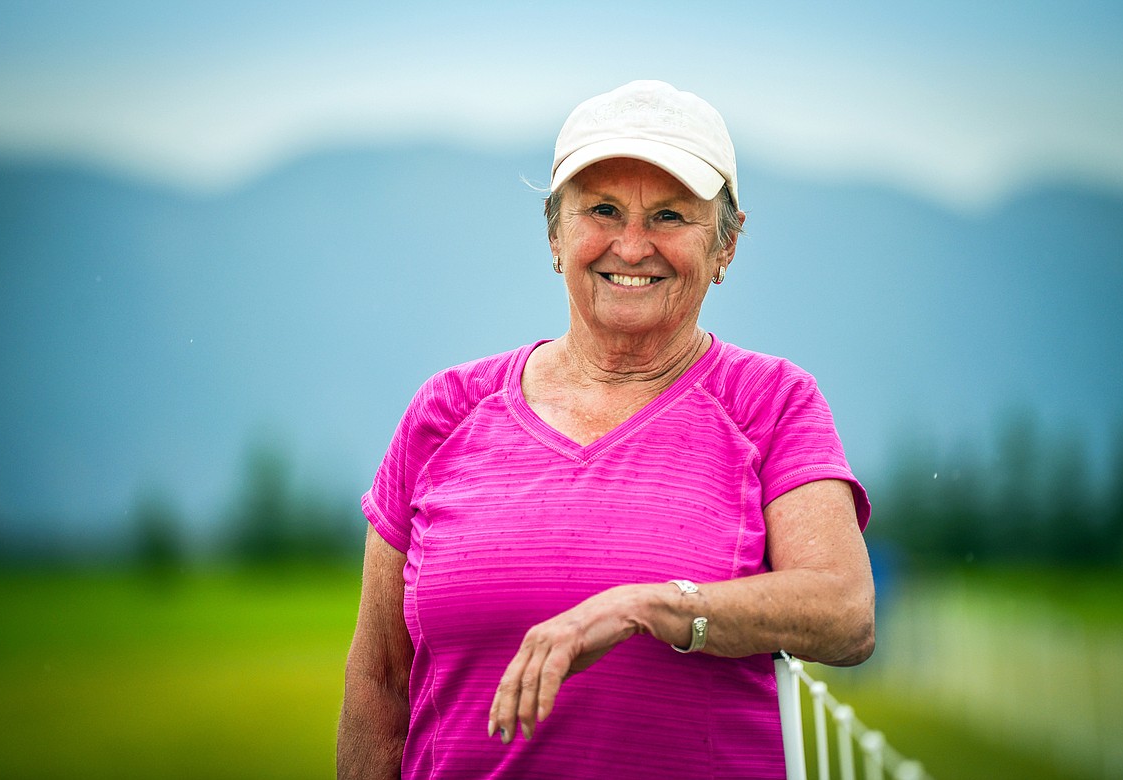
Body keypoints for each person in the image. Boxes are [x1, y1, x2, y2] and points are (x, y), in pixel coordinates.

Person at [337, 79, 875, 780]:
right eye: (603, 210)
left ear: (726, 246)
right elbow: (379, 680)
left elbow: (845, 610)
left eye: (670, 216)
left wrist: (648, 606)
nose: (632, 245)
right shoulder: (446, 411)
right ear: (556, 236)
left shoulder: (771, 402)